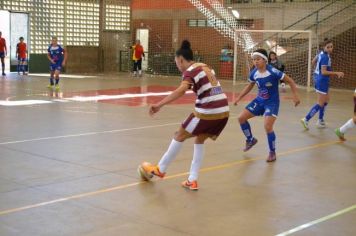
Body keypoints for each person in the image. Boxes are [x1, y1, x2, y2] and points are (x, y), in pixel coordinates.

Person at [138, 40, 229, 190]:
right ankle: (192, 180)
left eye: (176, 62)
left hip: (207, 111)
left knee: (179, 135)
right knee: (200, 140)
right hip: (223, 111)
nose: (177, 66)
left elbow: (182, 90)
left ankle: (160, 169)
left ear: (180, 59)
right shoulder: (205, 66)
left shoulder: (190, 71)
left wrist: (159, 104)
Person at [234, 49, 300, 162]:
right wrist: (239, 97)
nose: (255, 62)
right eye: (254, 60)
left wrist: (295, 96)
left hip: (272, 103)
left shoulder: (273, 71)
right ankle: (250, 139)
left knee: (268, 127)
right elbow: (250, 85)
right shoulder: (254, 73)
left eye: (258, 59)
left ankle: (272, 152)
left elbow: (291, 81)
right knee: (241, 118)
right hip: (259, 101)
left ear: (264, 60)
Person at [301, 38, 344, 130]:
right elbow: (324, 72)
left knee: (326, 100)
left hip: (319, 79)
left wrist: (315, 73)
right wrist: (336, 73)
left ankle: (320, 120)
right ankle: (306, 119)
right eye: (328, 47)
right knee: (320, 103)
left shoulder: (320, 54)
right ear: (324, 47)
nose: (330, 48)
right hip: (322, 80)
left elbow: (313, 61)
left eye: (331, 47)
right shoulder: (325, 57)